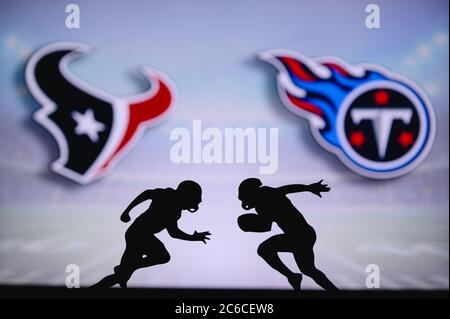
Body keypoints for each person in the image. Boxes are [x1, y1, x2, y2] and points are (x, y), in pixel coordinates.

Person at [92, 180, 211, 288]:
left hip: (141, 235)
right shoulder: (168, 199)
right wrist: (127, 211)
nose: (193, 205)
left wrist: (127, 211)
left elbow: (173, 232)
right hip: (139, 235)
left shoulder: (173, 205)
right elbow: (147, 194)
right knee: (160, 258)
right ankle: (126, 269)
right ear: (185, 196)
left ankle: (126, 269)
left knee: (122, 276)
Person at [237, 178, 338, 291]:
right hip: (302, 234)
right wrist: (308, 187)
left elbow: (265, 226)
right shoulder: (265, 196)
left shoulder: (264, 198)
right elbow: (287, 189)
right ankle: (334, 291)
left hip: (299, 236)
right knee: (308, 270)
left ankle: (292, 277)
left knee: (264, 249)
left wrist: (246, 224)